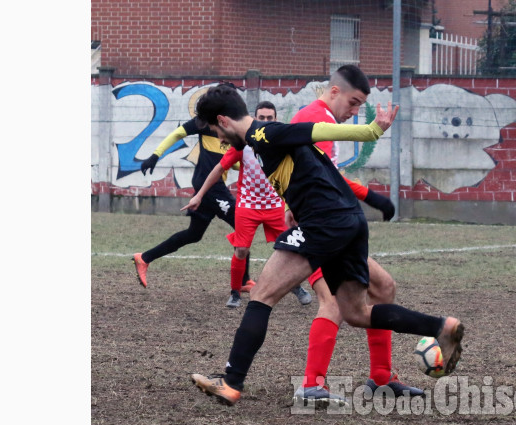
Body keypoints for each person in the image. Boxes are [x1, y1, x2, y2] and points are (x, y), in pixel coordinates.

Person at [182, 84, 464, 407]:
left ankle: (231, 382)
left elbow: (316, 130)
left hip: (326, 221)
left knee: (261, 294)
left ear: (223, 120)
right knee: (356, 312)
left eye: (215, 130)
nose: (218, 139)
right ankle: (441, 327)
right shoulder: (259, 141)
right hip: (347, 221)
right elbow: (315, 165)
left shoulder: (263, 134)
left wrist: (372, 131)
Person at [289, 65, 422, 406]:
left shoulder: (323, 121)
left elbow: (327, 176)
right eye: (352, 103)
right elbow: (315, 178)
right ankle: (311, 385)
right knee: (332, 301)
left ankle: (381, 377)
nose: (353, 112)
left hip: (330, 227)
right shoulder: (312, 120)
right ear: (334, 92)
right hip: (317, 229)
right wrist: (372, 197)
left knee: (383, 286)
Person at [132, 83, 252, 290]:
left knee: (194, 234)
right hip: (210, 186)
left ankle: (144, 257)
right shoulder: (205, 122)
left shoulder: (230, 127)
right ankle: (243, 281)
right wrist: (155, 155)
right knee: (242, 226)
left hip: (210, 184)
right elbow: (177, 133)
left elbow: (230, 161)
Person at [192, 101, 312, 308]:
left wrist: (294, 203)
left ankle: (295, 285)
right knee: (241, 249)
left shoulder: (281, 142)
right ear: (254, 118)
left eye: (270, 118)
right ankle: (235, 292)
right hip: (247, 206)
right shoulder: (243, 143)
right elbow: (219, 168)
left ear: (276, 119)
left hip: (275, 205)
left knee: (292, 248)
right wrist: (200, 194)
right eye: (261, 117)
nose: (265, 121)